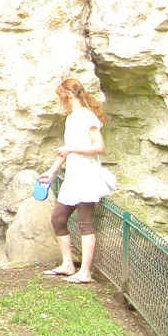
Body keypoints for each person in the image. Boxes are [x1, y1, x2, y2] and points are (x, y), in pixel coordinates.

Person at [38, 77, 116, 284]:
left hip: (87, 177)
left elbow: (99, 147)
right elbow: (66, 150)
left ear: (69, 95)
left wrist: (72, 149)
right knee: (58, 219)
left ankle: (86, 273)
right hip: (73, 177)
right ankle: (68, 264)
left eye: (61, 96)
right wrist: (51, 171)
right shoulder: (71, 118)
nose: (60, 100)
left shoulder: (87, 117)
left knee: (85, 223)